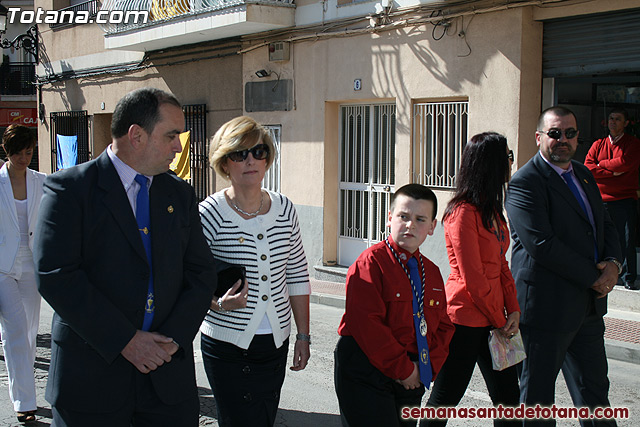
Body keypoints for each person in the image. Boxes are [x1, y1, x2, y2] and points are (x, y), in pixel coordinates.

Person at [34, 88, 216, 426]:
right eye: (172, 135)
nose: (179, 147)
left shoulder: (179, 193)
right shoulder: (70, 190)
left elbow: (201, 273)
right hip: (91, 382)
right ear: (137, 135)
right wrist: (126, 341)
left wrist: (172, 340)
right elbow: (56, 275)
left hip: (166, 382)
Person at [505, 106, 621, 426]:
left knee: (595, 394)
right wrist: (594, 278)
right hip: (545, 310)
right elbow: (542, 244)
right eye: (555, 133)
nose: (563, 140)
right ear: (539, 136)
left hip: (587, 309)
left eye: (570, 133)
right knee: (538, 401)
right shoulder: (525, 183)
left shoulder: (583, 174)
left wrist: (613, 266)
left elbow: (605, 224)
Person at [198, 116, 311, 427]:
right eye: (239, 153)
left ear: (268, 158)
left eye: (258, 152)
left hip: (275, 343)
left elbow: (297, 275)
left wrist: (303, 336)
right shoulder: (209, 213)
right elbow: (190, 280)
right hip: (227, 346)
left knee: (264, 420)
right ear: (225, 162)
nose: (250, 160)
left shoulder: (285, 208)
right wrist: (218, 304)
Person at [334, 183, 455, 426]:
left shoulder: (431, 272)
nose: (410, 225)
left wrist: (425, 369)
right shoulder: (370, 263)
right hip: (367, 369)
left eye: (421, 219)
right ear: (389, 219)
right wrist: (404, 370)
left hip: (412, 374)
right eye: (403, 216)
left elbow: (443, 326)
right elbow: (367, 326)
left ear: (432, 227)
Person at [424, 132, 520, 426]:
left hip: (493, 320)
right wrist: (499, 319)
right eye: (507, 156)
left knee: (509, 401)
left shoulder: (492, 211)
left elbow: (502, 265)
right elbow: (473, 279)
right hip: (464, 321)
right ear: (491, 163)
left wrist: (513, 309)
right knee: (444, 400)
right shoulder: (462, 214)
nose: (511, 162)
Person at [0, 124, 46, 424]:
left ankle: (23, 388)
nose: (24, 158)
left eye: (29, 152)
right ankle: (24, 402)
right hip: (2, 267)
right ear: (8, 151)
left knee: (29, 333)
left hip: (32, 264)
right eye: (18, 152)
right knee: (15, 332)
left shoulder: (42, 181)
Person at [585, 108, 640, 291]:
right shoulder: (598, 144)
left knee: (626, 240)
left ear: (626, 123)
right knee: (601, 238)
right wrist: (612, 172)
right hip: (600, 201)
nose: (613, 122)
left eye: (618, 119)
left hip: (624, 200)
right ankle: (605, 274)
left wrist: (601, 165)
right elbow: (588, 168)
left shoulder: (633, 144)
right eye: (611, 118)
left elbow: (625, 163)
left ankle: (628, 277)